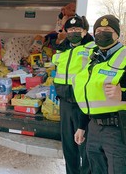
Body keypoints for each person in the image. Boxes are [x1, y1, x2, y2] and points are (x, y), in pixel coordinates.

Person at [74, 15, 126, 174]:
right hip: (93, 128)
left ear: (117, 34)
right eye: (98, 31)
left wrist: (123, 96)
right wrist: (82, 126)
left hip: (117, 129)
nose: (102, 34)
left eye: (107, 30)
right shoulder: (94, 59)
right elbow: (89, 96)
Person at [52, 15, 94, 174]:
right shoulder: (61, 50)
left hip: (84, 104)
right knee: (69, 147)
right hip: (65, 103)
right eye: (70, 30)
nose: (73, 32)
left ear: (84, 31)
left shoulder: (92, 49)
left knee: (85, 146)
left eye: (77, 29)